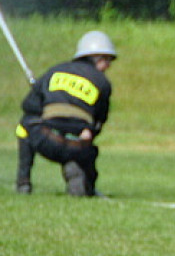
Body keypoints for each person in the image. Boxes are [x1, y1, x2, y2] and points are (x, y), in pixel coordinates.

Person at [15, 30, 117, 196]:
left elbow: (29, 105)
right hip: (78, 146)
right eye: (107, 60)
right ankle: (81, 179)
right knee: (82, 147)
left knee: (24, 125)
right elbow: (100, 120)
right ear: (97, 58)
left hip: (45, 140)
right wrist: (88, 132)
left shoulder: (54, 71)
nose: (109, 65)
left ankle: (23, 183)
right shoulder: (102, 82)